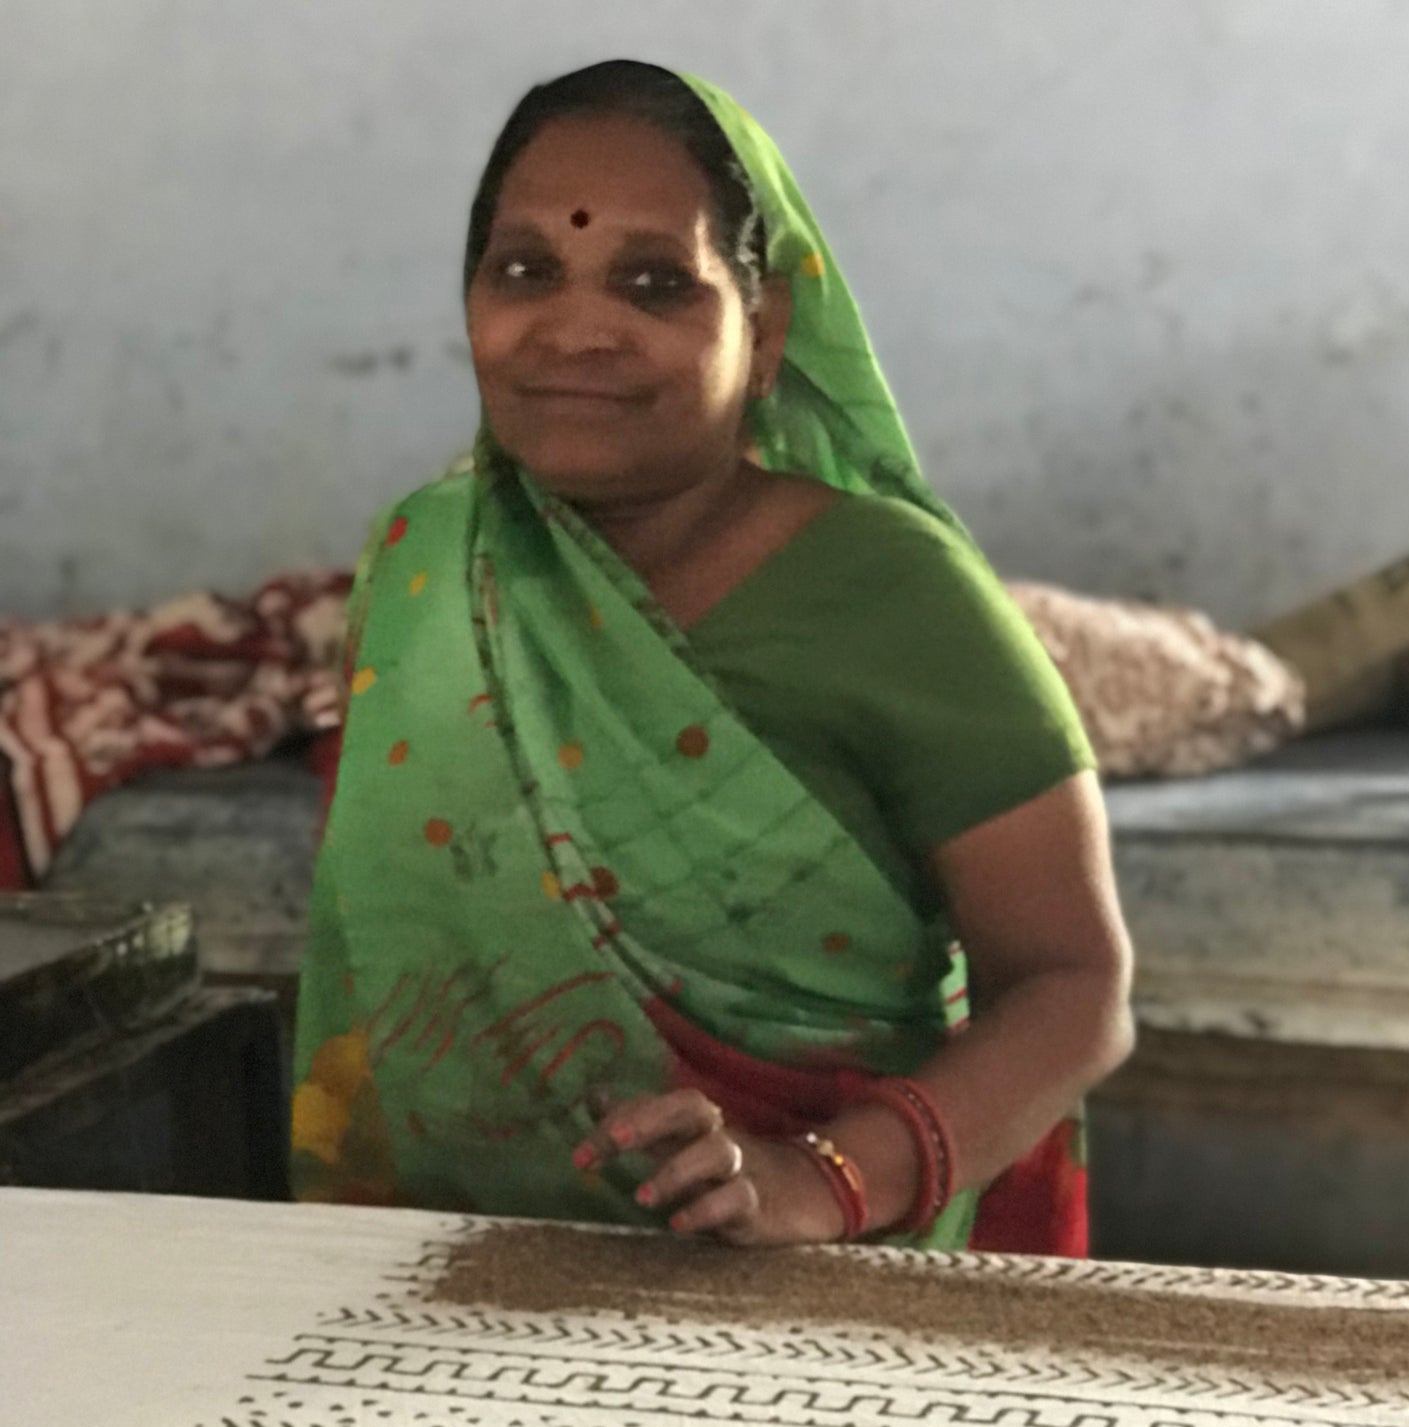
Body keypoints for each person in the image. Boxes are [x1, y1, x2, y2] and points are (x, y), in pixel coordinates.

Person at [292, 60, 1134, 1252]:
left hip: (832, 1286)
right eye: (526, 270)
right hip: (462, 1286)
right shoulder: (430, 563)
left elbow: (1071, 988)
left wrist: (821, 1178)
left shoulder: (898, 596)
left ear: (766, 324)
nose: (578, 328)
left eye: (652, 283)